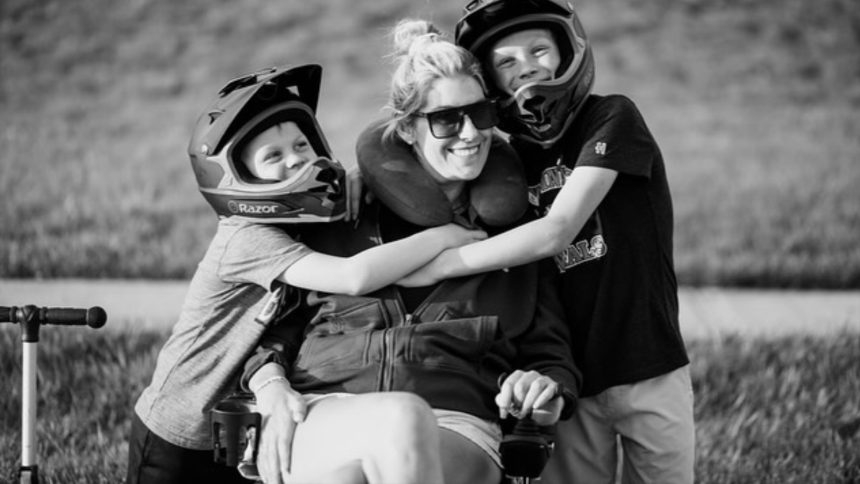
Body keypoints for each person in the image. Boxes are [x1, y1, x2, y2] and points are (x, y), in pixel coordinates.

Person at [239, 19, 581, 484]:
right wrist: (272, 385)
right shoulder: (342, 222)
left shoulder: (515, 238)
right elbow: (275, 329)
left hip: (458, 425)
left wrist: (544, 386)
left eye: (480, 113)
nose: (470, 133)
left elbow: (550, 353)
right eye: (445, 119)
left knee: (390, 436)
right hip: (328, 410)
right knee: (389, 428)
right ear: (405, 130)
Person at [126, 64, 491, 484]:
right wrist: (444, 236)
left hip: (238, 416)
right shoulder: (248, 237)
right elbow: (355, 277)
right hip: (178, 427)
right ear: (236, 177)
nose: (297, 159)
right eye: (273, 157)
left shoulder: (296, 225)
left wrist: (363, 179)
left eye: (302, 144)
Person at [386, 1, 696, 482]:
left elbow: (558, 230)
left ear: (568, 51)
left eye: (538, 50)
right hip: (569, 375)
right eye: (506, 62)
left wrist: (442, 263)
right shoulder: (507, 161)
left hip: (648, 363)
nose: (526, 66)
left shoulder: (611, 117)